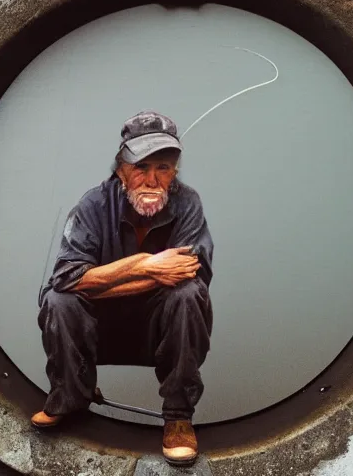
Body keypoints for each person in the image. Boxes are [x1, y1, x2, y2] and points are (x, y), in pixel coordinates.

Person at [32, 111, 214, 466]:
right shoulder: (92, 204)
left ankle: (178, 418)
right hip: (97, 328)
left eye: (162, 167)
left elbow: (188, 275)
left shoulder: (188, 202)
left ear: (175, 170)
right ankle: (69, 398)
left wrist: (99, 281)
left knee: (189, 294)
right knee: (58, 300)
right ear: (120, 169)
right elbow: (66, 280)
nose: (151, 179)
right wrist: (149, 265)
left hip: (159, 328)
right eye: (140, 167)